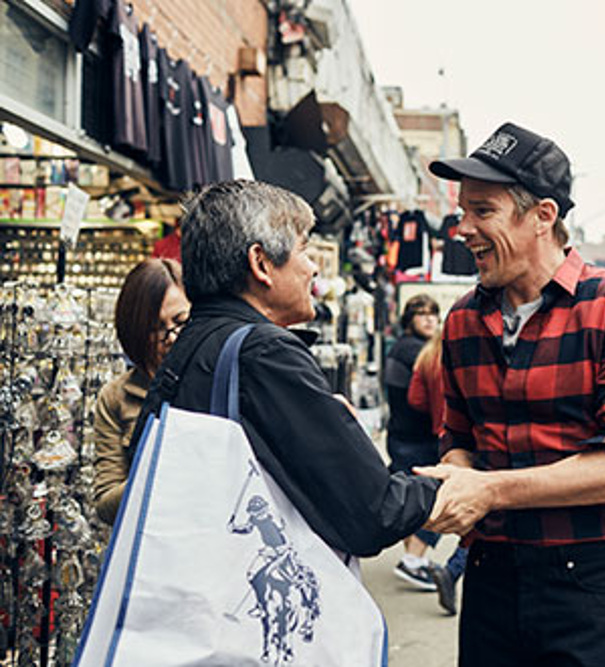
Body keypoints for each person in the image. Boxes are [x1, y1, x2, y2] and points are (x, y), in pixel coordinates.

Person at [419, 122, 605, 667]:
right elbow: (458, 434)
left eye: (482, 211)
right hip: (492, 574)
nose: (462, 228)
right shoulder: (464, 319)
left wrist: (488, 491)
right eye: (463, 211)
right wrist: (457, 477)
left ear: (543, 216)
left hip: (592, 579)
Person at [131, 179, 439, 559]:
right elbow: (374, 513)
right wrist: (450, 488)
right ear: (261, 264)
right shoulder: (265, 353)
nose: (313, 269)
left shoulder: (194, 341)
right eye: (303, 250)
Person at [93, 257, 189, 525]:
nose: (171, 338)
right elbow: (105, 504)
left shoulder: (215, 377)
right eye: (156, 329)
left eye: (181, 322)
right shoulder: (116, 397)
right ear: (135, 331)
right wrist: (158, 470)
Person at [385, 294, 444, 590]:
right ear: (410, 320)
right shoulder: (421, 352)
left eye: (433, 314)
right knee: (436, 498)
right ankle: (412, 561)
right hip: (419, 439)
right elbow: (421, 400)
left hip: (399, 435)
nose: (429, 319)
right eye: (422, 314)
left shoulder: (398, 348)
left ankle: (415, 557)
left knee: (409, 498)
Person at [407, 331, 468, 615]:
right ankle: (441, 565)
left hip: (439, 435)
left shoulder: (427, 357)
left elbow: (415, 399)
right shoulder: (462, 354)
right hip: (466, 439)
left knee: (444, 496)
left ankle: (416, 557)